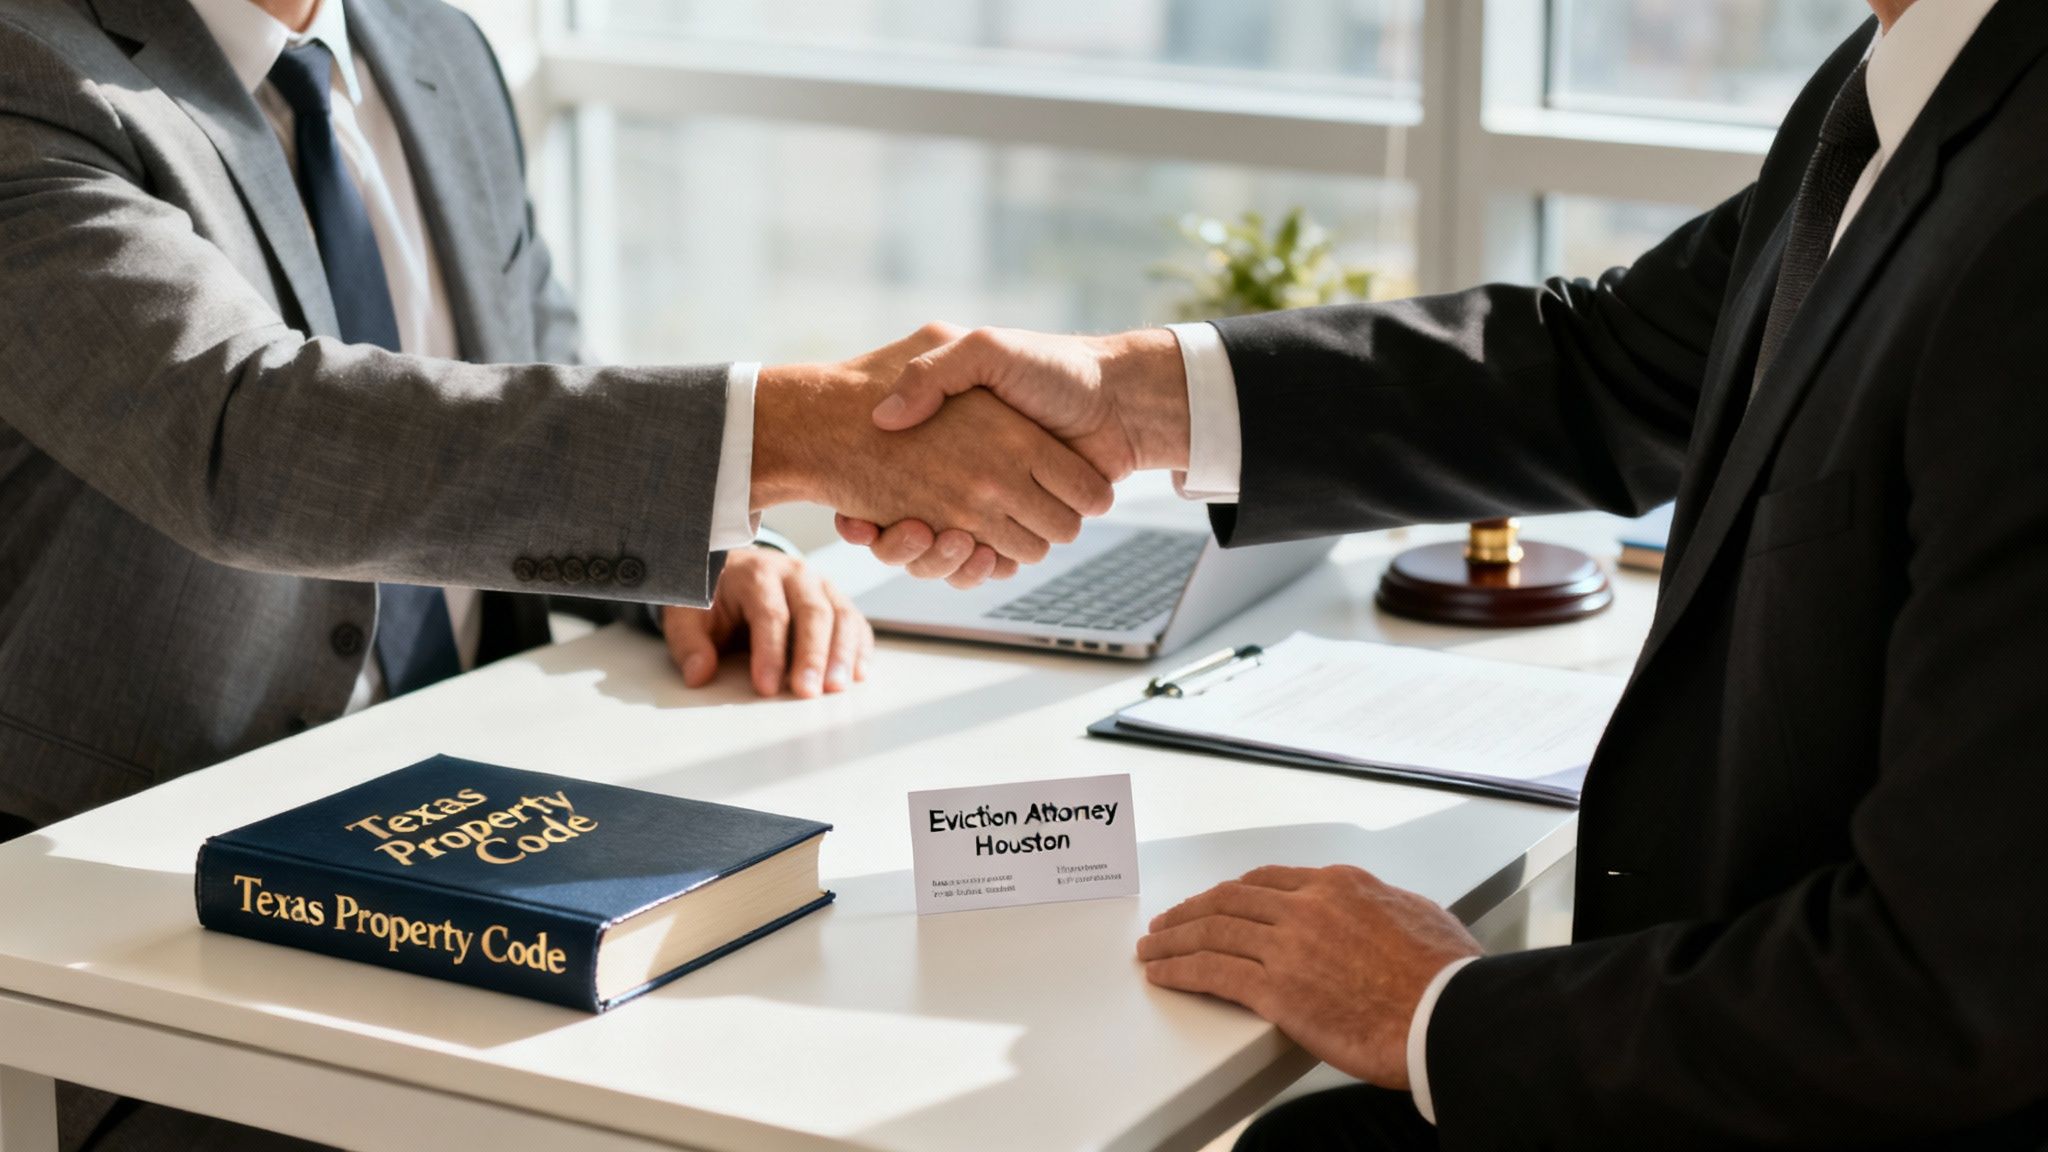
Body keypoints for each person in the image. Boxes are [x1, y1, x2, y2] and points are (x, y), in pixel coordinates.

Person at [843, 0, 2048, 1145]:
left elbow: (1950, 989)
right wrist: (1127, 400)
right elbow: (1604, 361)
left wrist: (1438, 1012)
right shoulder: (1908, 73)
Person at [0, 1, 1109, 1146]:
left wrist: (717, 547)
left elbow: (536, 358)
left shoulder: (429, 45)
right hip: (149, 911)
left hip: (498, 809)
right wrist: (787, 432)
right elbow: (244, 435)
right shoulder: (28, 66)